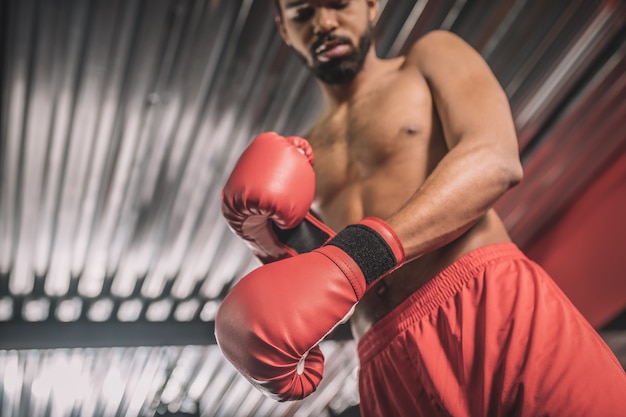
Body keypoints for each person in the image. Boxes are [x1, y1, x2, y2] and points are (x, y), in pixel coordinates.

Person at [215, 1, 626, 416]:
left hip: (489, 307)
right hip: (386, 360)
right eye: (302, 13)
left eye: (338, 3)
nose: (324, 22)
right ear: (284, 30)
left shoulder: (427, 59)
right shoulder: (300, 159)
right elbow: (328, 290)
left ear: (372, 5)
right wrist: (270, 244)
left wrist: (359, 255)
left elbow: (495, 158)